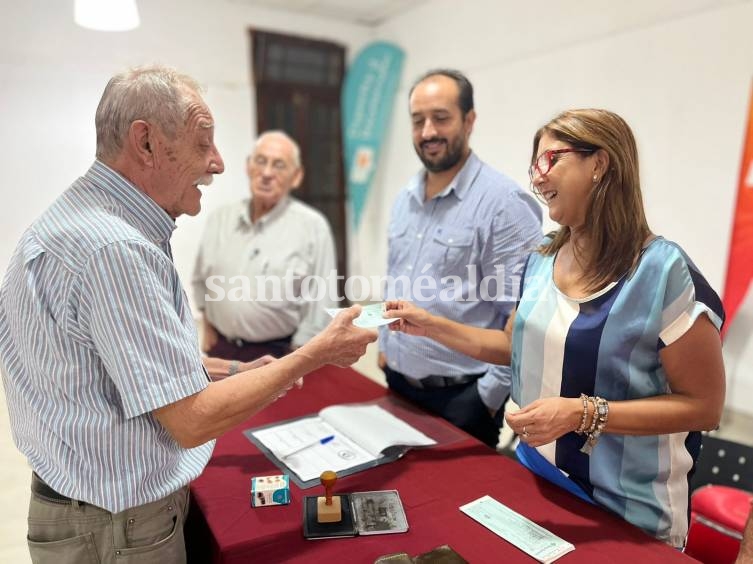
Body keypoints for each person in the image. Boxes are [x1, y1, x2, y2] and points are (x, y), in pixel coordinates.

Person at [0, 65, 375, 564]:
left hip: (82, 503)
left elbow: (131, 366)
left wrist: (239, 370)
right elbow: (191, 421)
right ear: (147, 143)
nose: (217, 164)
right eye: (204, 143)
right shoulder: (115, 250)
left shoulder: (78, 220)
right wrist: (313, 355)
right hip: (115, 523)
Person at [384, 108, 726, 548]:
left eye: (550, 160)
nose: (538, 180)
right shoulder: (542, 258)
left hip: (627, 511)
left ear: (600, 164)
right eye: (534, 167)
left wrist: (582, 414)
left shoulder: (662, 271)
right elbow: (513, 345)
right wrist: (432, 326)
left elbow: (703, 406)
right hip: (535, 479)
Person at [378, 68, 542, 448]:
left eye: (441, 117)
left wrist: (484, 399)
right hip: (398, 385)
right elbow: (397, 279)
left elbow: (522, 322)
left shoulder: (503, 205)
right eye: (418, 121)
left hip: (461, 399)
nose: (428, 132)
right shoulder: (405, 198)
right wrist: (387, 350)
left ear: (469, 121)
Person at [193, 131, 337, 360]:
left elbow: (321, 303)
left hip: (279, 356)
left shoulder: (312, 227)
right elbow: (200, 279)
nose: (267, 173)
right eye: (260, 161)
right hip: (221, 351)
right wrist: (208, 325)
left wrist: (297, 358)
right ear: (248, 166)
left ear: (297, 176)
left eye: (279, 165)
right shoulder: (220, 219)